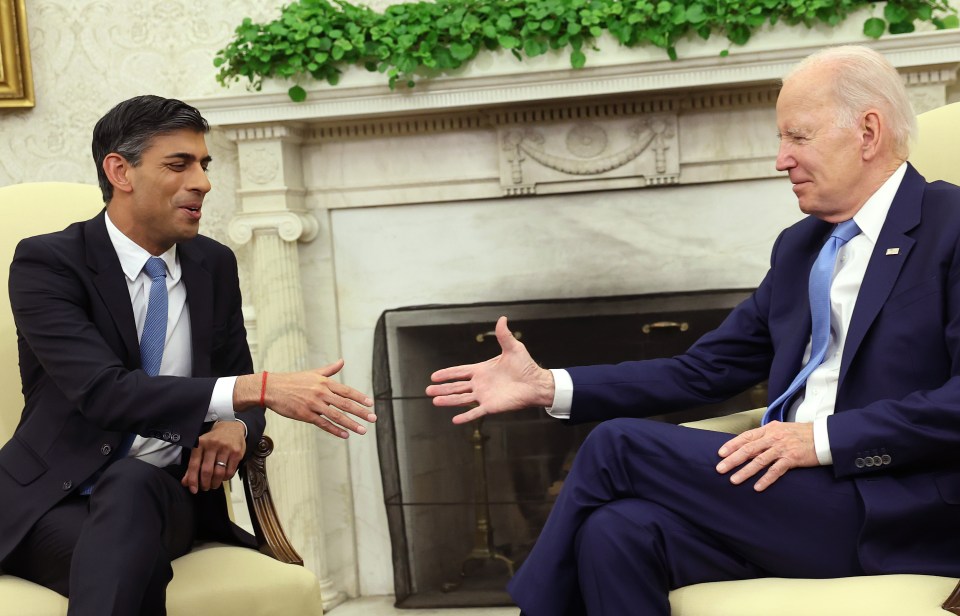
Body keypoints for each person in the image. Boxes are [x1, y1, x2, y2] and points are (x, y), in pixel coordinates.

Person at [427, 45, 960, 616]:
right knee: (616, 531)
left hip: (884, 506)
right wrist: (546, 386)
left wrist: (821, 440)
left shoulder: (949, 225)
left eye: (797, 137)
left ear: (868, 132)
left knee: (616, 443)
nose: (781, 159)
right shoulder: (801, 248)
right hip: (778, 499)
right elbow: (702, 370)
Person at [0, 95, 375, 616]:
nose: (202, 181)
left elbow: (234, 379)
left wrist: (238, 425)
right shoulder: (48, 263)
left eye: (204, 164)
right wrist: (259, 390)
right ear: (120, 171)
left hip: (167, 494)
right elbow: (103, 392)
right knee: (128, 563)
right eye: (179, 164)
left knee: (131, 490)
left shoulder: (212, 264)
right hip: (50, 500)